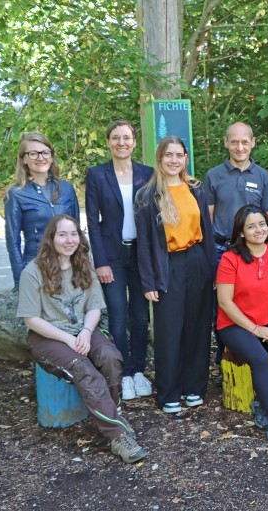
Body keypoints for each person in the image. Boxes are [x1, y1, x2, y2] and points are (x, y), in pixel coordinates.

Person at [17, 214, 147, 463]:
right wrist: (68, 339)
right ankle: (118, 436)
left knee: (110, 357)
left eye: (74, 234)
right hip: (48, 336)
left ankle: (112, 413)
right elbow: (31, 320)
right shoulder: (33, 272)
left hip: (82, 330)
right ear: (51, 239)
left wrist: (87, 332)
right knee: (85, 371)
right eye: (62, 234)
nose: (69, 240)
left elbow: (94, 308)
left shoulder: (84, 264)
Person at [135, 136, 216, 414]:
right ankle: (169, 391)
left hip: (197, 262)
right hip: (166, 265)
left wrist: (212, 271)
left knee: (197, 326)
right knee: (170, 331)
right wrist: (148, 281)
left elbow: (207, 232)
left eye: (179, 155)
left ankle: (194, 387)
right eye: (168, 155)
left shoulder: (196, 189)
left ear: (185, 158)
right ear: (159, 158)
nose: (173, 160)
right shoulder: (147, 195)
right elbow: (144, 242)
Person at [216, 206, 268, 446]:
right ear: (241, 232)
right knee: (260, 360)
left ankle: (262, 401)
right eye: (251, 226)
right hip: (235, 325)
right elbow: (225, 302)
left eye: (262, 224)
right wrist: (255, 330)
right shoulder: (231, 259)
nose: (258, 230)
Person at [85, 120, 154, 402]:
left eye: (126, 138)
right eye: (116, 138)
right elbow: (92, 220)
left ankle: (139, 370)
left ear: (134, 142)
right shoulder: (97, 175)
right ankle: (123, 373)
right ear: (109, 142)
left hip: (141, 255)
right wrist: (99, 261)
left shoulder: (148, 174)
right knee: (118, 315)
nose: (121, 142)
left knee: (139, 317)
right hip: (112, 256)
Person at [204, 122, 268, 368]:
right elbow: (208, 218)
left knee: (255, 300)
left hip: (256, 250)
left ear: (253, 143)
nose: (239, 146)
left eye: (245, 141)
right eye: (234, 141)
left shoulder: (262, 176)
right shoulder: (214, 175)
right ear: (226, 143)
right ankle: (225, 355)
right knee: (222, 306)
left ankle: (259, 350)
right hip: (223, 250)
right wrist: (209, 256)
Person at [4, 132, 79, 290]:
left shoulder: (67, 189)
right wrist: (20, 280)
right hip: (36, 268)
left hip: (69, 268)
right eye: (33, 153)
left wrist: (81, 268)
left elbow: (76, 233)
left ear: (51, 157)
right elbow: (13, 240)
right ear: (24, 158)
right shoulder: (16, 193)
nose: (40, 158)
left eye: (45, 152)